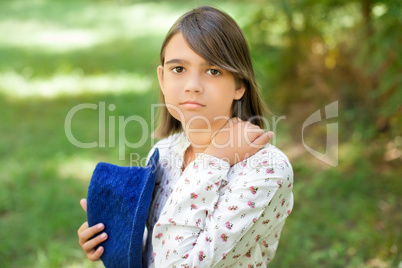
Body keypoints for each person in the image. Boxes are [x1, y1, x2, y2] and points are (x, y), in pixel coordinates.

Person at [77, 5, 294, 267]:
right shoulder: (165, 152)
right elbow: (158, 250)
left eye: (213, 70)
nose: (192, 86)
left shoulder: (266, 170)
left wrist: (212, 160)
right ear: (162, 78)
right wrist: (115, 241)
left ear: (239, 85)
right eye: (178, 69)